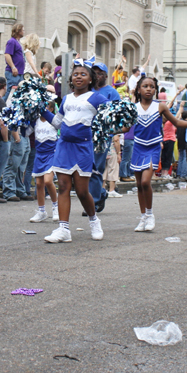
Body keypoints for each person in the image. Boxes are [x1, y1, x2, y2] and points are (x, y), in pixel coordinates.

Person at [40, 58, 107, 243]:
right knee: (63, 187)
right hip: (63, 146)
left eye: (83, 74)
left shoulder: (97, 98)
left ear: (91, 79)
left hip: (83, 147)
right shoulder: (67, 98)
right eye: (76, 74)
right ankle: (63, 229)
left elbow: (109, 119)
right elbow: (58, 123)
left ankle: (94, 221)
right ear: (71, 78)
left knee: (82, 191)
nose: (79, 77)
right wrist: (41, 109)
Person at [87, 62, 120, 214]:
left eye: (100, 73)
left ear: (106, 76)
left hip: (102, 135)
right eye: (94, 73)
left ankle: (92, 203)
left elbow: (118, 115)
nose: (97, 76)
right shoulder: (87, 90)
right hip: (85, 134)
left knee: (96, 169)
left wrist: (112, 135)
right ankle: (100, 194)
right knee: (85, 169)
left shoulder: (112, 93)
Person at [29, 100, 59, 222]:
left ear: (51, 109)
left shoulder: (54, 121)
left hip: (51, 154)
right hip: (39, 154)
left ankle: (56, 207)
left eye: (46, 107)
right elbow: (26, 132)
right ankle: (41, 211)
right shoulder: (35, 121)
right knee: (39, 184)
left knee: (48, 181)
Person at [4, 23, 25, 89]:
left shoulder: (18, 42)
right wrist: (13, 67)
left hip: (19, 72)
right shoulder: (12, 41)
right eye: (23, 30)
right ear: (18, 31)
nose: (24, 32)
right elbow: (7, 54)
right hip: (13, 73)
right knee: (10, 92)